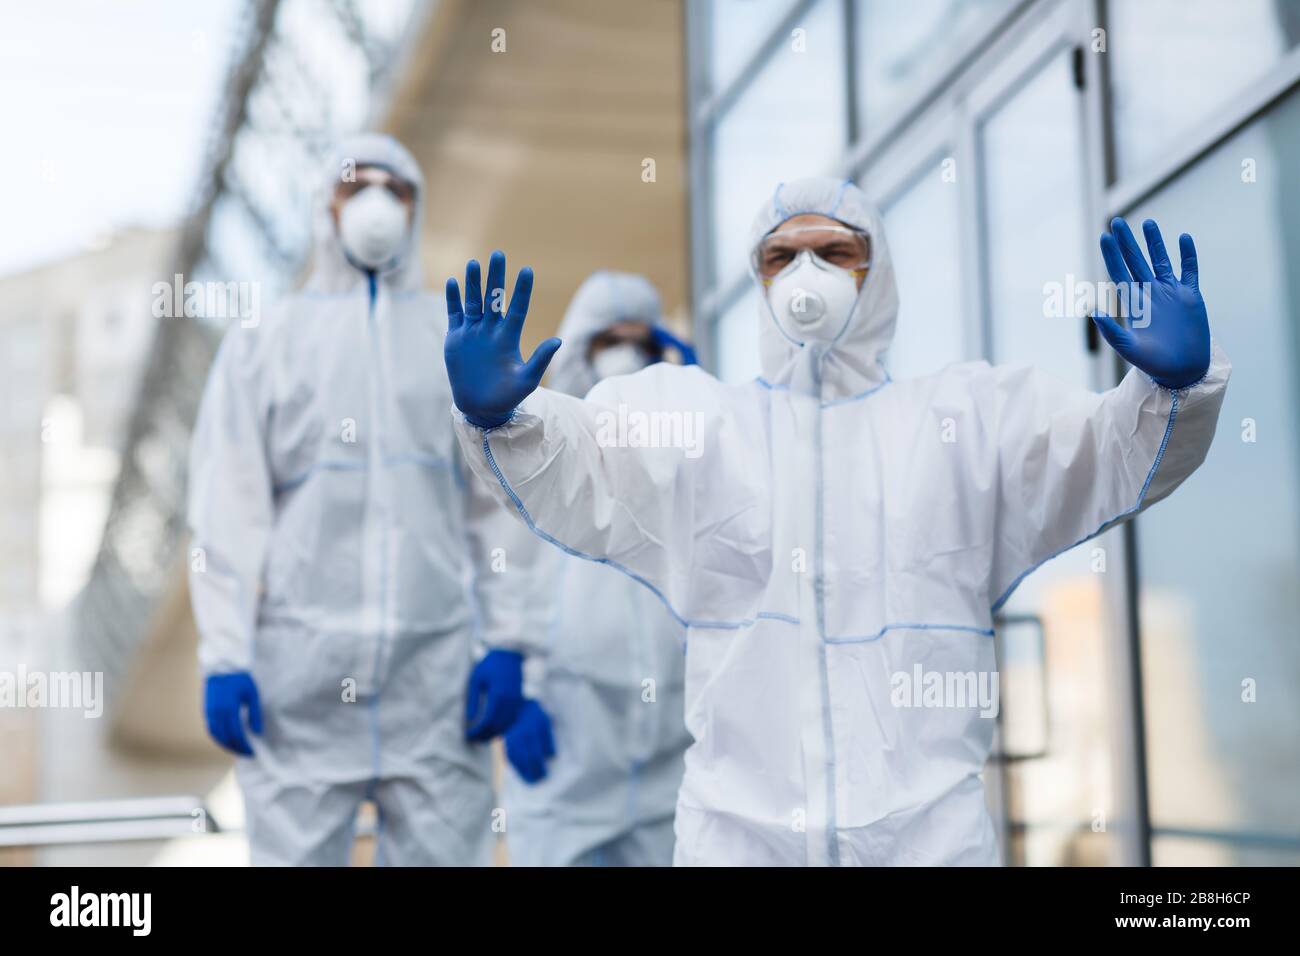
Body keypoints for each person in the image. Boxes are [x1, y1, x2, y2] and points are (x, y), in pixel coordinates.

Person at [440, 177, 1230, 866]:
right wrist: (505, 418)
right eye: (781, 257)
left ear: (874, 271)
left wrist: (1170, 393)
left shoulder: (966, 420)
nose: (806, 272)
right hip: (737, 840)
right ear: (758, 278)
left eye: (834, 252)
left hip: (928, 841)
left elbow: (1097, 454)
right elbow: (585, 454)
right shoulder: (703, 425)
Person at [188, 133, 546, 866]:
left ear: (415, 209)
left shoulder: (449, 340)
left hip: (436, 685)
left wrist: (509, 644)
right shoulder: (268, 341)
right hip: (301, 686)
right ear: (327, 205)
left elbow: (496, 508)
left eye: (397, 187)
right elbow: (228, 506)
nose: (377, 201)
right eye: (358, 184)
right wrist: (224, 655)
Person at [497, 271, 695, 867]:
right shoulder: (542, 448)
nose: (626, 354)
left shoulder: (682, 449)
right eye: (609, 340)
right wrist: (519, 683)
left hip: (670, 749)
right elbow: (505, 573)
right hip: (570, 742)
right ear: (580, 349)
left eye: (639, 340)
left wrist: (701, 399)